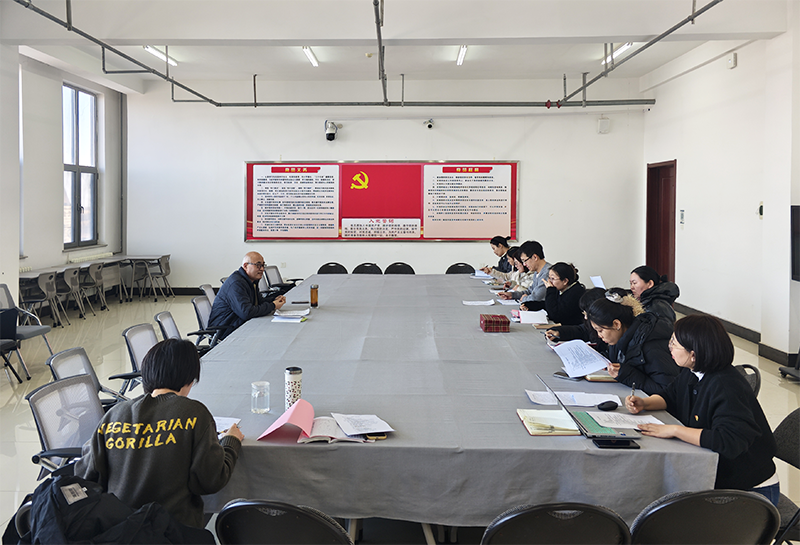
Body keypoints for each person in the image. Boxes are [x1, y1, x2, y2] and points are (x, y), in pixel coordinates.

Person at [76, 339, 244, 528]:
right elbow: (211, 480)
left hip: (119, 531)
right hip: (173, 531)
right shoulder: (195, 413)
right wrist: (231, 441)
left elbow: (86, 473)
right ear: (190, 379)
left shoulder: (114, 414)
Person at [625, 314, 778, 504]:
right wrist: (645, 403)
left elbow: (728, 441)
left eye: (674, 344)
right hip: (719, 475)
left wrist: (674, 430)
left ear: (693, 354)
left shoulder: (725, 386)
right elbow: (670, 396)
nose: (669, 347)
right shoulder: (693, 372)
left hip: (749, 491)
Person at [586, 291, 679, 395]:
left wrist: (628, 375)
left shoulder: (651, 347)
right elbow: (618, 359)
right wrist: (600, 359)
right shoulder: (619, 338)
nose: (599, 335)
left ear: (616, 324)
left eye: (600, 330)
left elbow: (668, 390)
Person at [208, 251, 286, 340]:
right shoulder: (236, 283)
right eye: (258, 265)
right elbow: (246, 313)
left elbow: (258, 302)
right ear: (245, 266)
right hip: (226, 331)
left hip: (240, 324)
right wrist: (273, 305)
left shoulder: (251, 280)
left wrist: (274, 300)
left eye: (263, 265)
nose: (262, 269)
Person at [521, 262, 585, 326]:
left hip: (571, 328)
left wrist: (550, 290)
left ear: (565, 281)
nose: (549, 282)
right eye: (549, 278)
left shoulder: (576, 293)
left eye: (552, 279)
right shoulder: (561, 289)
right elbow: (548, 305)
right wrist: (529, 305)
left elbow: (555, 314)